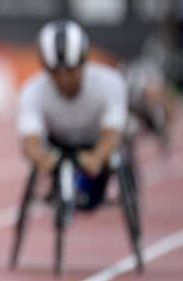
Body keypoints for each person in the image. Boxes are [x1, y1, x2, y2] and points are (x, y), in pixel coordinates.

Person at [17, 19, 128, 210]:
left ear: (83, 61)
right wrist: (39, 159)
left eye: (70, 70)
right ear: (45, 67)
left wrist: (97, 157)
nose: (63, 79)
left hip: (94, 144)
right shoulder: (31, 90)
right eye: (55, 72)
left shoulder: (110, 83)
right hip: (57, 145)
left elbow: (112, 135)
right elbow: (29, 140)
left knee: (90, 200)